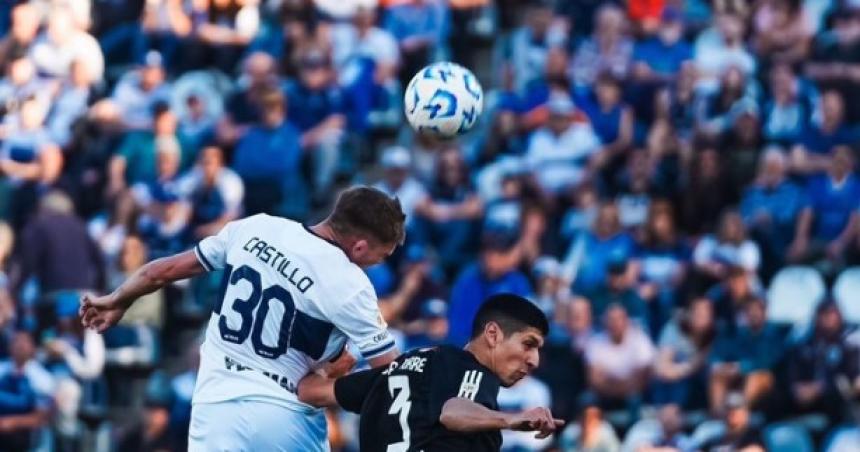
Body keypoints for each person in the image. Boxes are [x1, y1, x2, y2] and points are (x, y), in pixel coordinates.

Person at [79, 186, 406, 451]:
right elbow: (395, 374)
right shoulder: (351, 284)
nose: (377, 264)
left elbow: (160, 272)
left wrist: (118, 299)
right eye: (383, 255)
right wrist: (334, 383)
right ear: (360, 247)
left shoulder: (257, 227)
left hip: (215, 406)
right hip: (284, 416)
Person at [297, 293, 562, 451]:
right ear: (492, 334)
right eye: (528, 344)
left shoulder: (402, 366)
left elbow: (308, 391)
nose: (534, 360)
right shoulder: (473, 372)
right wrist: (512, 420)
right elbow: (453, 411)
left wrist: (329, 370)